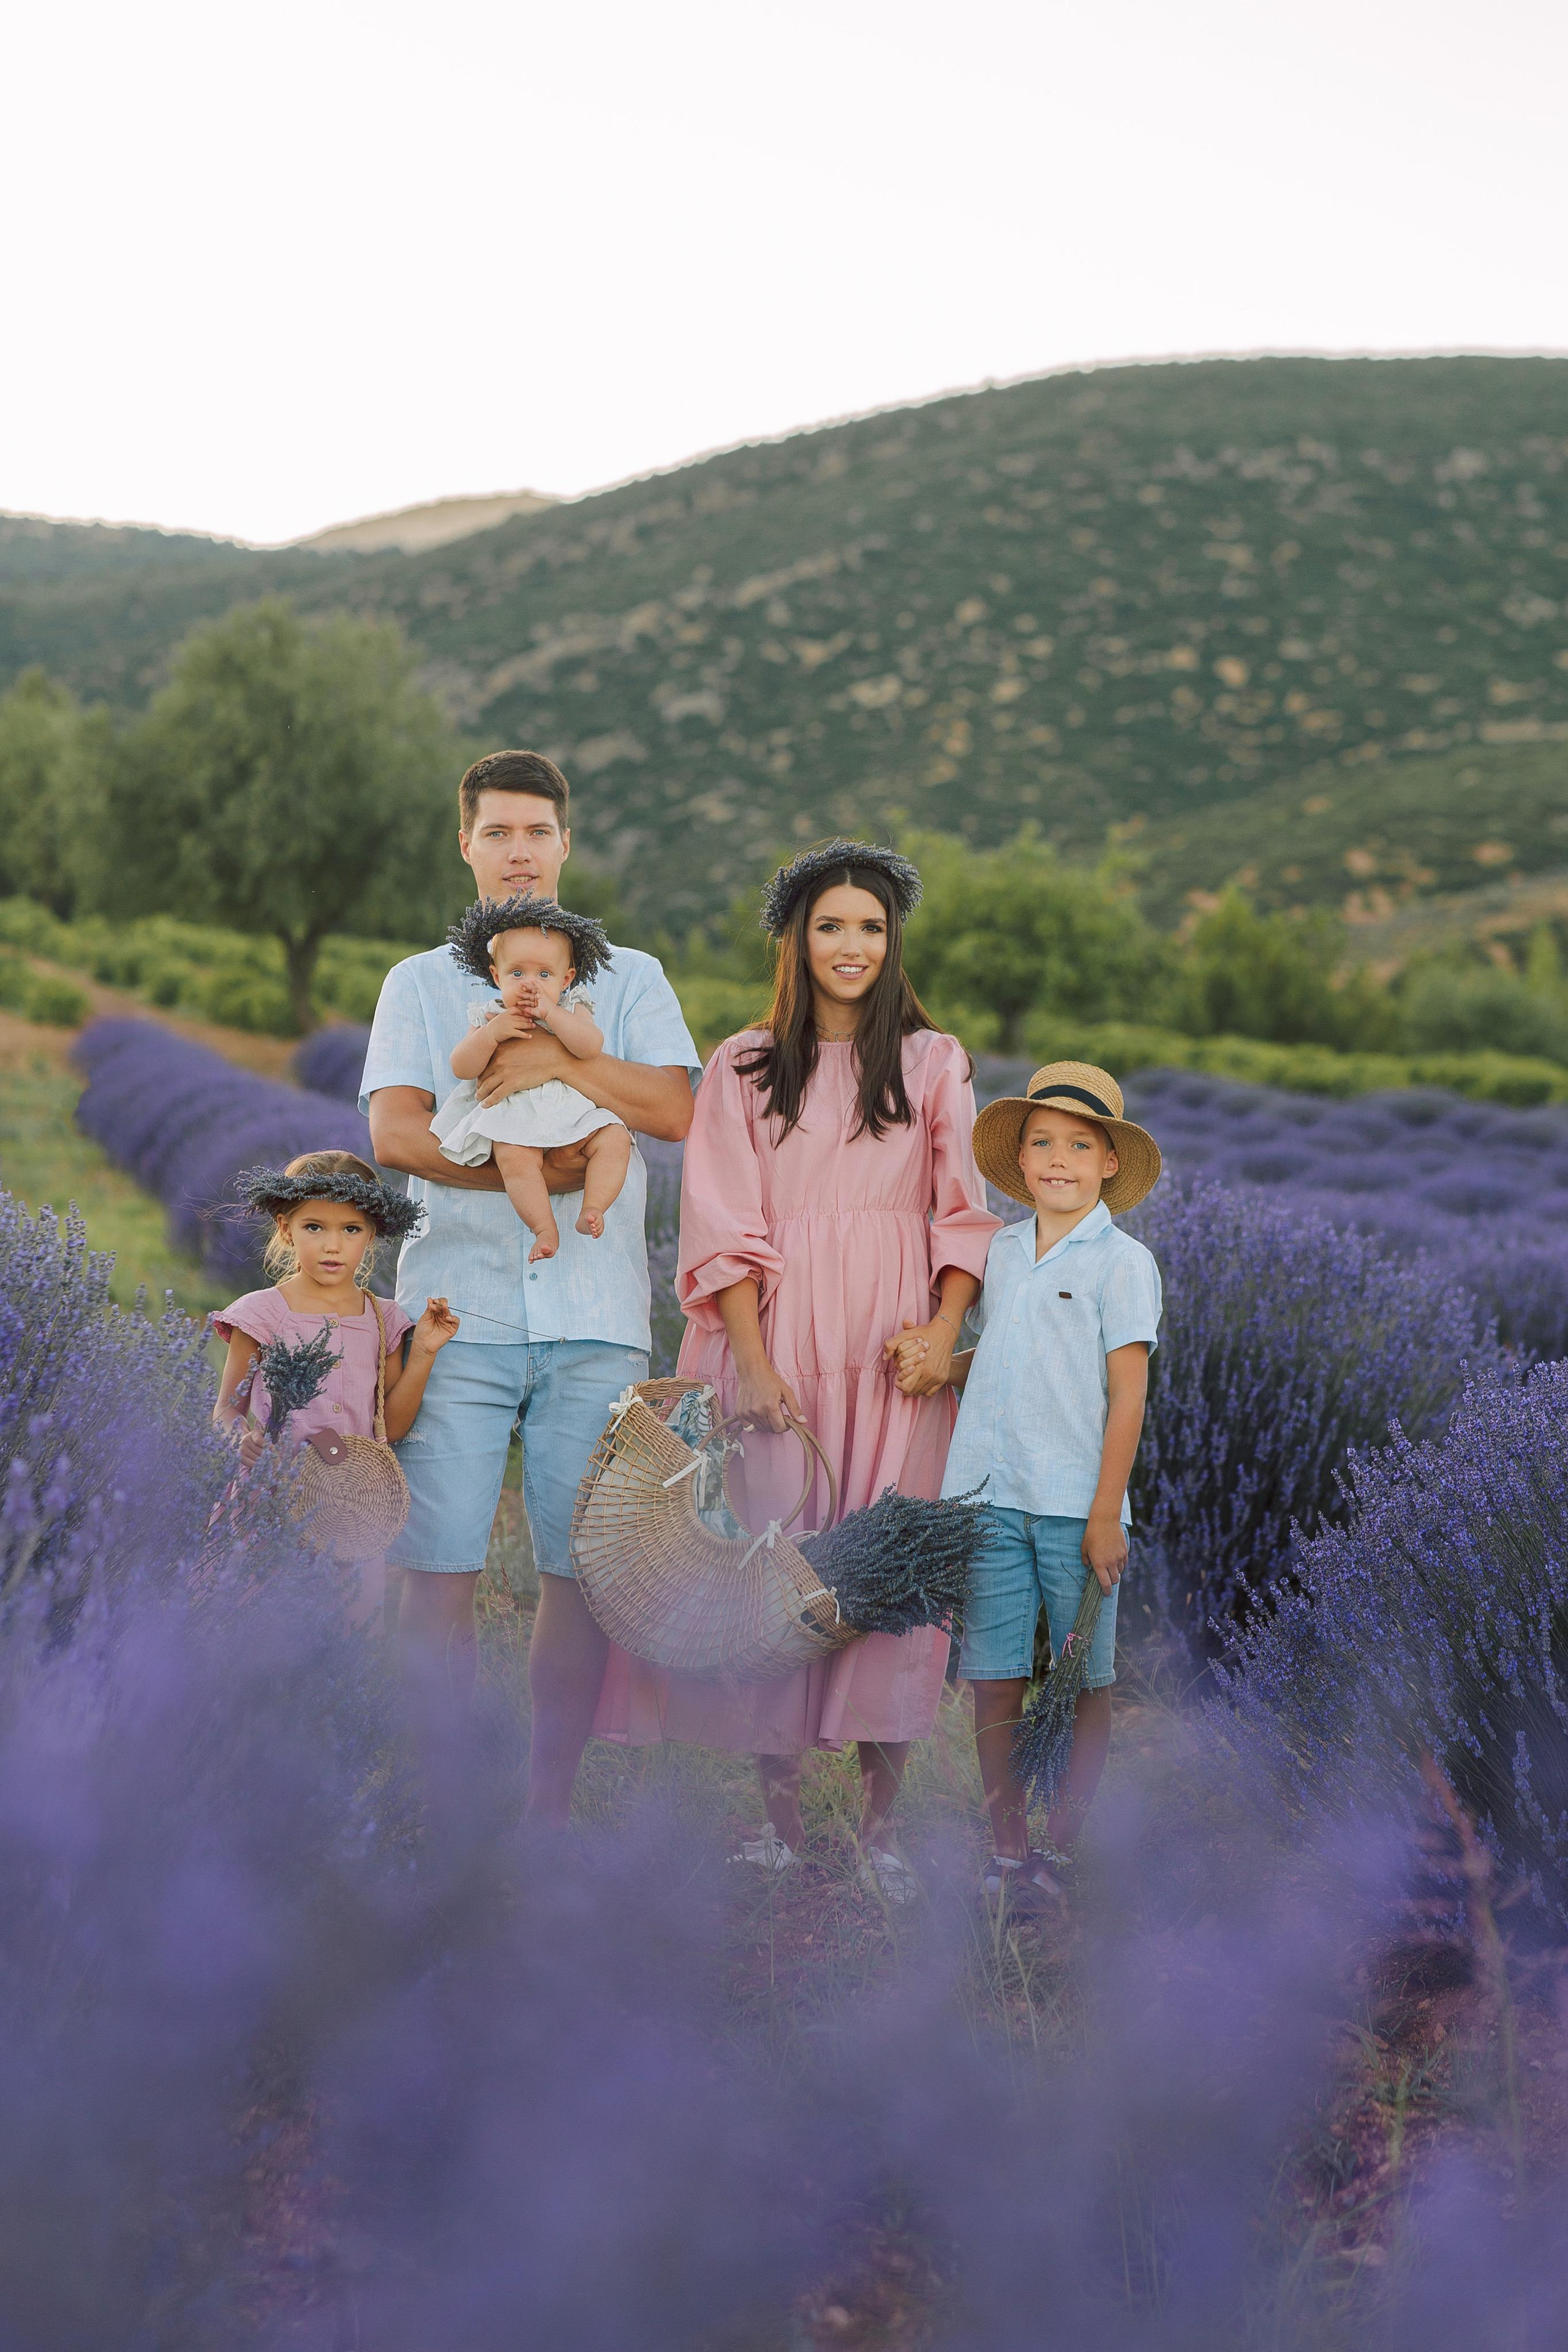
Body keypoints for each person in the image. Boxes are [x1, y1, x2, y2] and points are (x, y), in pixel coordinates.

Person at [595, 840, 1000, 1902]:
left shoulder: (934, 1063)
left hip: (892, 1354)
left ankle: (881, 1835)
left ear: (893, 941)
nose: (851, 946)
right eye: (830, 926)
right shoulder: (742, 1065)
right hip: (772, 1342)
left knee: (889, 1575)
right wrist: (755, 1364)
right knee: (771, 1576)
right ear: (797, 940)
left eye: (871, 927)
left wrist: (943, 1330)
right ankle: (778, 1827)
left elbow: (963, 1212)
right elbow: (722, 1221)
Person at [361, 749, 698, 1820]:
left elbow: (673, 1110)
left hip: (596, 1315)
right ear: (466, 843)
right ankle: (446, 1805)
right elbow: (395, 1132)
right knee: (436, 1566)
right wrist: (534, 1172)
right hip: (453, 1312)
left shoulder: (631, 977)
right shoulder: (419, 984)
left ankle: (546, 1809)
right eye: (498, 832)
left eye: (537, 832)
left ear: (566, 844)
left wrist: (559, 1066)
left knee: (581, 1573)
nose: (519, 851)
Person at [918, 1061, 1163, 1917]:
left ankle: (1063, 1843)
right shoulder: (1001, 1250)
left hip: (1073, 1507)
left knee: (1082, 1680)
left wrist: (1105, 1515)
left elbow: (1127, 1395)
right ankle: (1007, 1849)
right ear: (1019, 1160)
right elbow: (1007, 1355)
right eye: (1043, 1142)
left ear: (1108, 1164)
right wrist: (941, 1365)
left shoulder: (1123, 1263)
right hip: (988, 1494)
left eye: (1080, 1145)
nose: (1059, 1158)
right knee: (992, 1676)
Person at [211, 1151, 459, 1624]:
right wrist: (237, 1440)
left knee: (347, 1633)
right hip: (270, 1504)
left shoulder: (384, 1320)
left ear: (372, 1234)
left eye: (351, 1229)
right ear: (286, 1229)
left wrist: (425, 1353)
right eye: (314, 1227)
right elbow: (227, 1409)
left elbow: (391, 1427)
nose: (333, 1245)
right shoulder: (260, 1315)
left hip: (350, 1512)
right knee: (260, 1630)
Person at [432, 896, 632, 1262]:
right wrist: (491, 1035)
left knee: (615, 1137)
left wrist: (552, 1015)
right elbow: (462, 1067)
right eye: (517, 974)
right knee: (514, 1159)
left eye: (544, 975)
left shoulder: (572, 1007)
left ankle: (594, 1206)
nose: (530, 985)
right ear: (496, 976)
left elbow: (591, 1046)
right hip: (515, 1116)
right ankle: (543, 1228)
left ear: (566, 978)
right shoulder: (490, 1015)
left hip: (570, 1111)